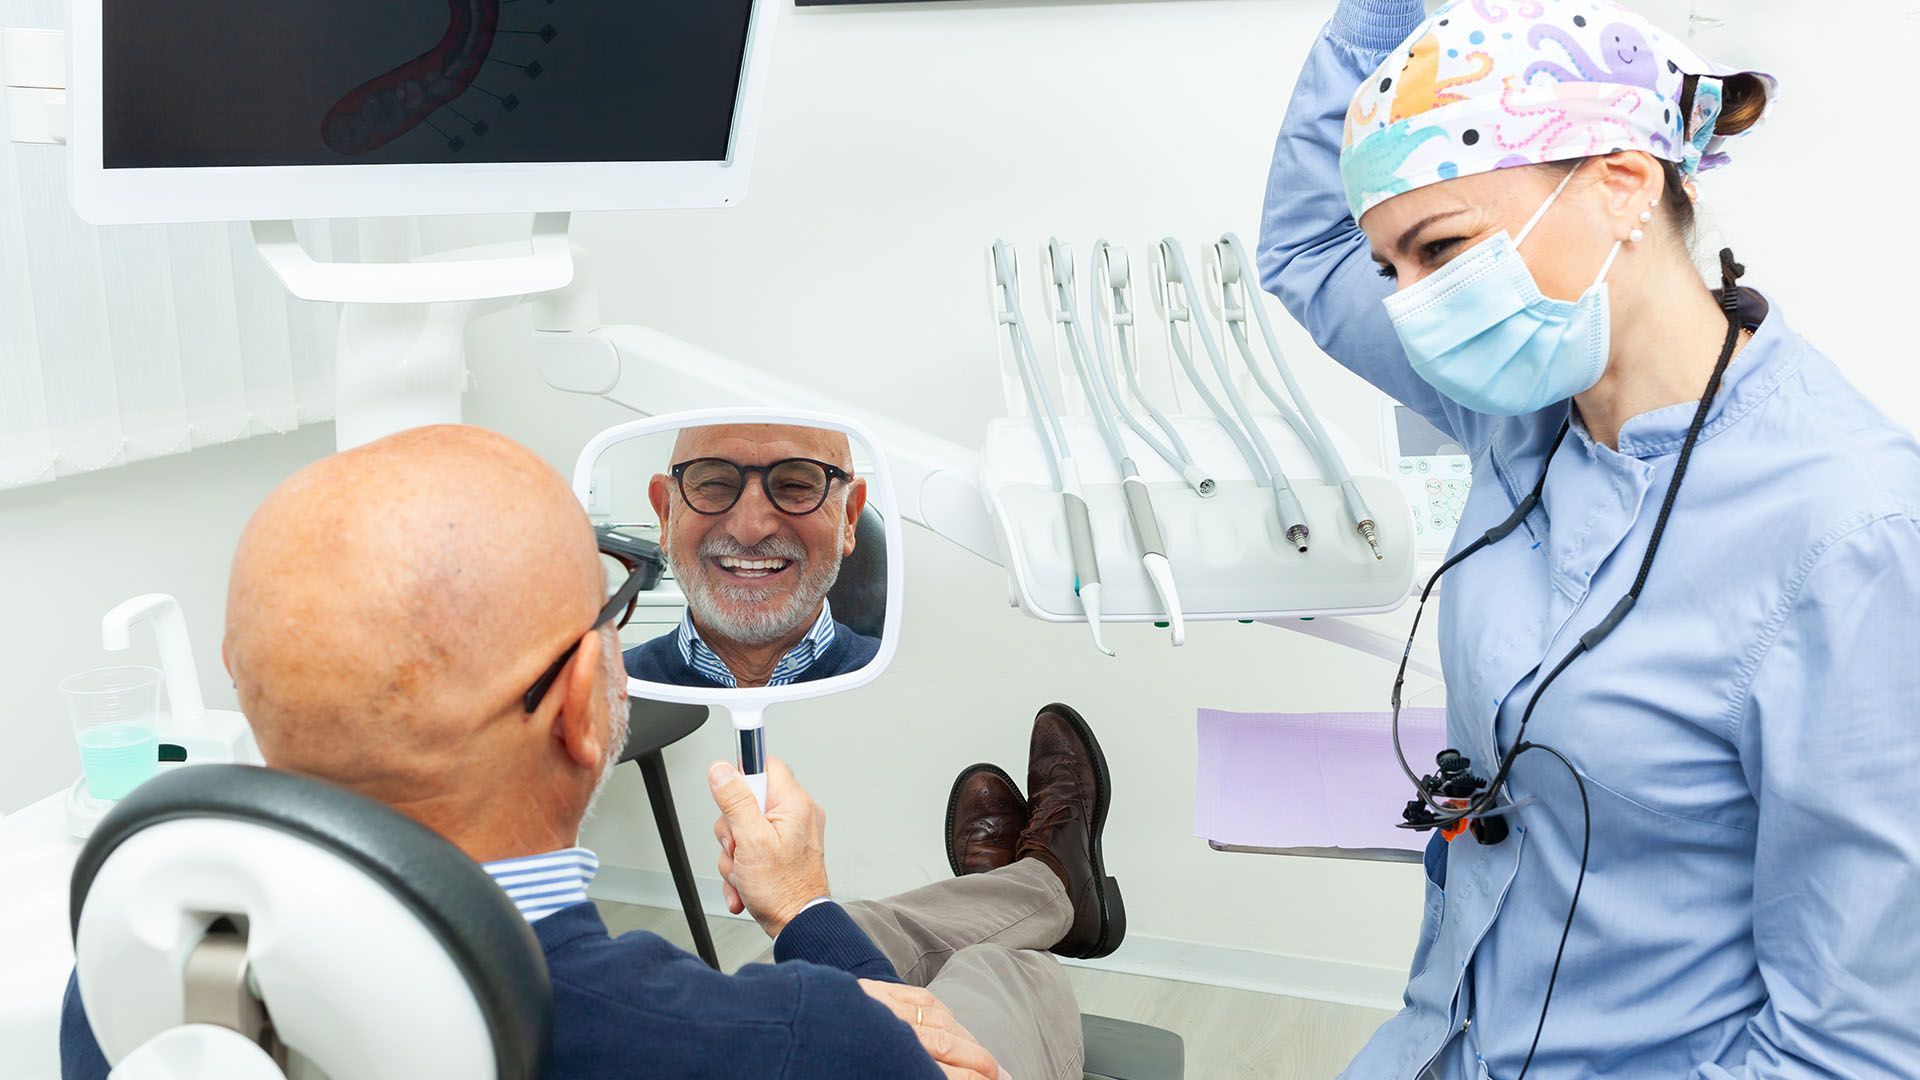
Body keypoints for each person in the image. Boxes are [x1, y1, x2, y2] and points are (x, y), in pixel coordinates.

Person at [1260, 1, 1920, 1077]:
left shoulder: (1852, 537)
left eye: (1442, 249)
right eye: (1393, 271)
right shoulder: (1519, 407)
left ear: (1622, 182)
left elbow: (1855, 1046)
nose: (1414, 311)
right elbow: (1306, 249)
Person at [59, 425, 1128, 1080]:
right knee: (997, 972)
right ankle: (1041, 907)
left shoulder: (134, 994)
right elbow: (871, 1047)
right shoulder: (793, 1042)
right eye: (609, 611)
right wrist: (803, 912)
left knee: (881, 929)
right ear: (581, 704)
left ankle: (1041, 880)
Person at [624, 423, 882, 688]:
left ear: (849, 517)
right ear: (666, 514)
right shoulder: (605, 694)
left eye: (795, 486)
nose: (749, 530)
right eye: (714, 484)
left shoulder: (902, 689)